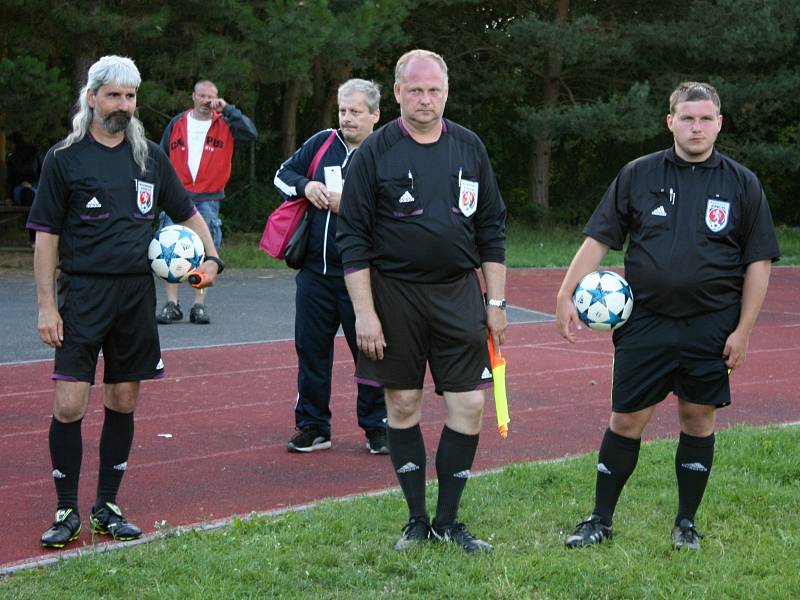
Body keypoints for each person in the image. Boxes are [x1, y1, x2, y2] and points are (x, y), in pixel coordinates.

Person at [556, 82, 780, 551]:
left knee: (698, 418)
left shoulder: (742, 183)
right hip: (646, 323)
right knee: (626, 420)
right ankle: (600, 519)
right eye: (687, 118)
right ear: (670, 121)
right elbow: (599, 237)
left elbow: (758, 263)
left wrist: (743, 331)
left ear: (719, 123)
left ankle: (686, 524)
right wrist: (566, 292)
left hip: (711, 323)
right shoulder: (638, 174)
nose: (696, 127)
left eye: (705, 119)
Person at [27, 55, 223, 549]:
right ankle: (66, 508)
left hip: (135, 295)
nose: (123, 105)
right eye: (113, 95)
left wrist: (213, 258)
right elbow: (46, 238)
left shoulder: (150, 157)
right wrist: (47, 307)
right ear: (91, 98)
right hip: (83, 295)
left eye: (130, 97)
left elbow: (188, 212)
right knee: (70, 403)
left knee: (123, 398)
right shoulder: (64, 158)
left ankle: (106, 507)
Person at [337, 50, 508, 553]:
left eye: (433, 90)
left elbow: (491, 230)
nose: (425, 99)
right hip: (394, 296)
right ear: (396, 93)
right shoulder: (375, 151)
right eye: (415, 90)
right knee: (403, 402)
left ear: (447, 92)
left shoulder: (470, 147)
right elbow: (353, 238)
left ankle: (450, 522)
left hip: (459, 294)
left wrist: (495, 302)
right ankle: (416, 520)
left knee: (471, 405)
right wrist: (366, 312)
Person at [274, 79, 388, 454]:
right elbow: (282, 175)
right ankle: (313, 426)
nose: (347, 118)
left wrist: (352, 205)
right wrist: (306, 186)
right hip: (314, 273)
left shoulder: (387, 151)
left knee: (370, 354)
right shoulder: (322, 142)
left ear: (375, 114)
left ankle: (377, 428)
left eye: (356, 111)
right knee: (311, 351)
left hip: (364, 278)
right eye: (342, 110)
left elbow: (400, 209)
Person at [156, 79, 256, 325]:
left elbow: (251, 134)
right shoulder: (177, 123)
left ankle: (198, 305)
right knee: (169, 249)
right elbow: (160, 155)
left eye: (211, 97)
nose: (206, 101)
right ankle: (171, 304)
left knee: (204, 250)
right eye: (202, 96)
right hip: (176, 195)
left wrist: (229, 110)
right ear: (193, 97)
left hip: (208, 198)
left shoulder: (225, 124)